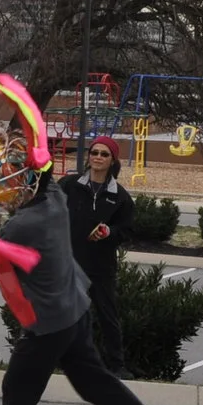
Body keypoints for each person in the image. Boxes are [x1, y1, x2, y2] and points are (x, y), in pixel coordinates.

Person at [0, 167, 184, 405]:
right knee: (94, 384)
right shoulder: (55, 198)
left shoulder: (23, 225)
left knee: (17, 388)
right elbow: (42, 173)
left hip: (47, 322)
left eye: (12, 183)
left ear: (28, 185)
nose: (6, 189)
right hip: (75, 308)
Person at [59, 136, 136, 371]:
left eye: (104, 154)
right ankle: (60, 361)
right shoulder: (69, 185)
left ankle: (116, 366)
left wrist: (109, 232)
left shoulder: (120, 196)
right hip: (70, 263)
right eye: (94, 153)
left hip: (101, 267)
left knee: (107, 316)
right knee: (65, 315)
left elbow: (127, 230)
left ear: (113, 160)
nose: (98, 157)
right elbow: (50, 210)